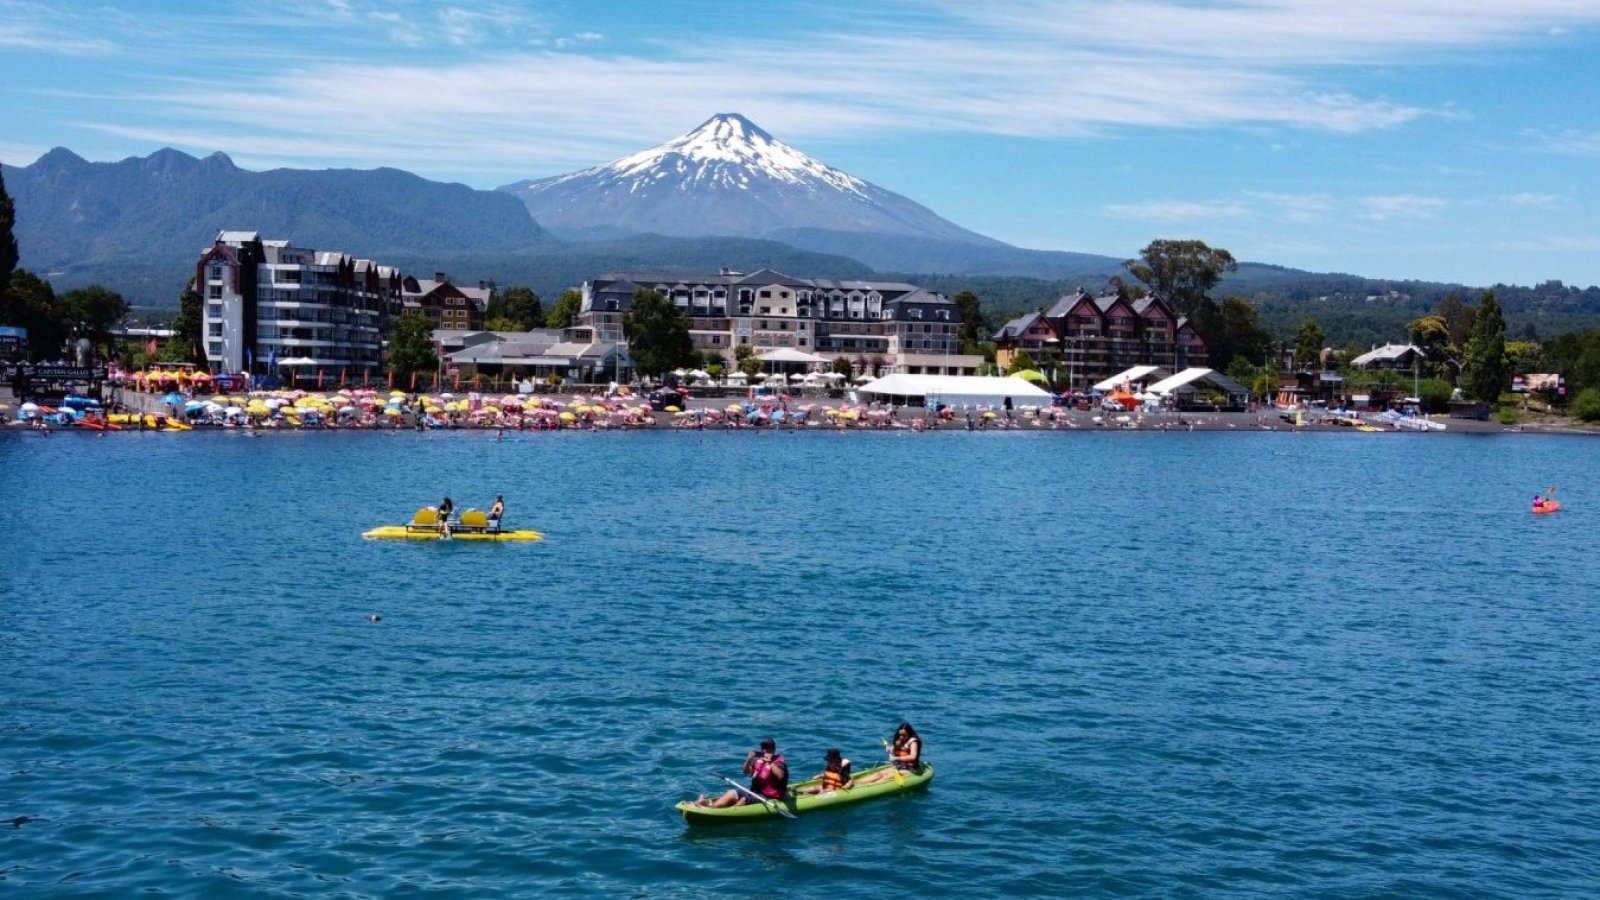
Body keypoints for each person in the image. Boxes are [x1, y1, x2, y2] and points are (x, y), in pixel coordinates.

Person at [696, 737, 788, 808]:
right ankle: (710, 806)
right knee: (731, 793)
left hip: (770, 796)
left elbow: (780, 776)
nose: (765, 750)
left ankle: (726, 811)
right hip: (755, 792)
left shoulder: (778, 762)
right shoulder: (758, 760)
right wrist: (748, 760)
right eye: (763, 747)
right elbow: (746, 771)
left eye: (768, 748)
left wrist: (770, 762)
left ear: (773, 749)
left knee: (744, 800)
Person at [857, 722, 923, 784]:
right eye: (900, 735)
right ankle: (856, 783)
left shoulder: (913, 742)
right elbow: (895, 748)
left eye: (904, 735)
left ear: (909, 734)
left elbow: (913, 757)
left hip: (910, 769)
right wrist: (890, 749)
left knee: (885, 777)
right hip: (899, 766)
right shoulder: (900, 740)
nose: (901, 737)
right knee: (879, 774)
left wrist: (897, 758)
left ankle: (866, 788)